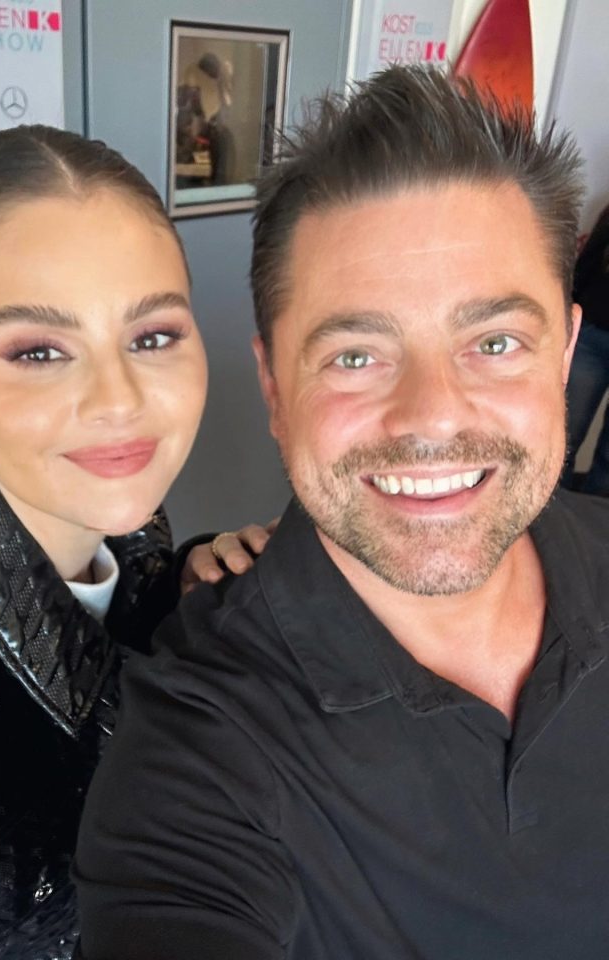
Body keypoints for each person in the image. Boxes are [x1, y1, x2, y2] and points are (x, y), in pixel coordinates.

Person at [73, 66, 609, 959]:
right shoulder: (200, 753)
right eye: (356, 356)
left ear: (563, 358)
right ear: (275, 391)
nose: (433, 416)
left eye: (496, 342)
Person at [0, 125, 267, 960]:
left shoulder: (99, 503)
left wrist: (182, 588)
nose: (119, 400)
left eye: (152, 337)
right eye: (39, 351)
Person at [562, 203, 609, 494]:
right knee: (565, 436)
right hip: (591, 336)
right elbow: (586, 265)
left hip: (590, 334)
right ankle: (554, 512)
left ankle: (597, 515)